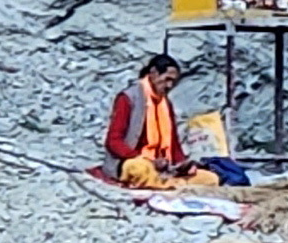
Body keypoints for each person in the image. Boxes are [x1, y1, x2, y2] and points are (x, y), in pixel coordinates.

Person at [101, 54, 248, 188]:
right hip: (135, 160)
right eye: (167, 79)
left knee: (209, 178)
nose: (170, 86)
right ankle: (168, 185)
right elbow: (113, 141)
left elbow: (174, 145)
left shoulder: (166, 104)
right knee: (138, 169)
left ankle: (164, 185)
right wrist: (146, 160)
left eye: (173, 82)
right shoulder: (128, 98)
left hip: (165, 168)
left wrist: (182, 164)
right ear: (153, 73)